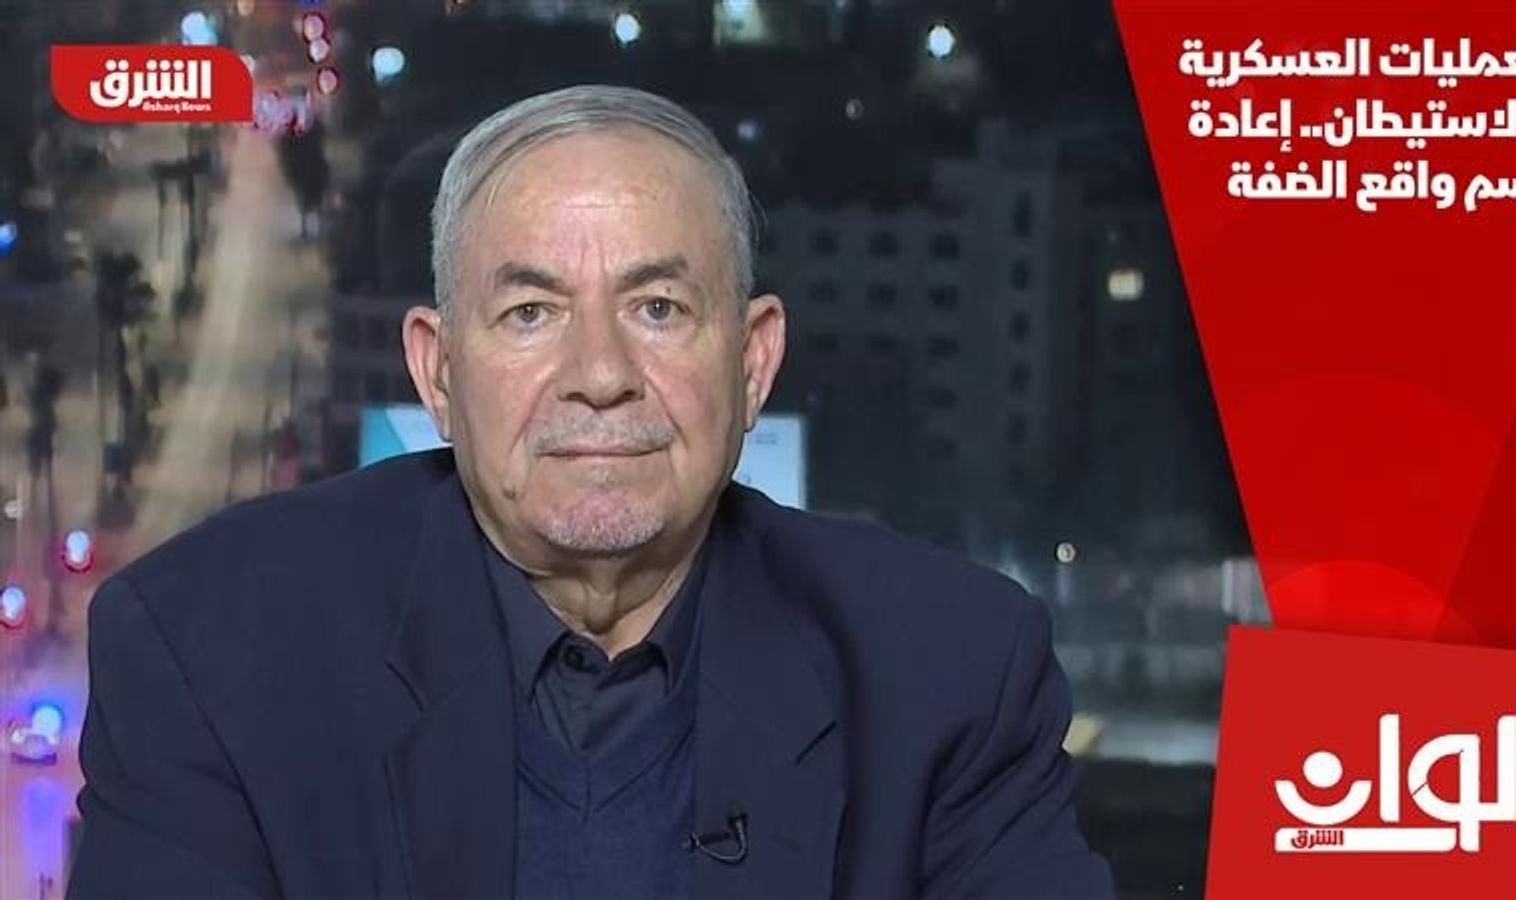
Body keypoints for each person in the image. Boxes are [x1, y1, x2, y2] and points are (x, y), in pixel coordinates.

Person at [68, 86, 1114, 900]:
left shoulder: (952, 672)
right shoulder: (206, 652)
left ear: (752, 362)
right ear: (438, 374)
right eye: (530, 313)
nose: (601, 374)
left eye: (658, 308)